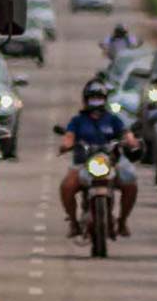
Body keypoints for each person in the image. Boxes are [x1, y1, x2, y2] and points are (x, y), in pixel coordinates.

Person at [59, 79, 140, 238]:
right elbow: (69, 136)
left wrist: (131, 141)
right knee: (66, 187)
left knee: (131, 183)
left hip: (110, 162)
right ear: (86, 100)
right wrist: (66, 144)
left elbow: (126, 133)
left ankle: (122, 221)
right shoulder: (78, 121)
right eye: (92, 98)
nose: (96, 102)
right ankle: (74, 223)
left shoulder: (112, 119)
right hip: (83, 163)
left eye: (99, 98)